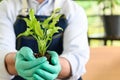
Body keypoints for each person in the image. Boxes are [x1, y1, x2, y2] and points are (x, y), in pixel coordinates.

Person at [0, 0, 89, 80]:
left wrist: (57, 66)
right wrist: (16, 61)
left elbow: (77, 58)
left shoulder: (74, 10)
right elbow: (2, 49)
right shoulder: (6, 6)